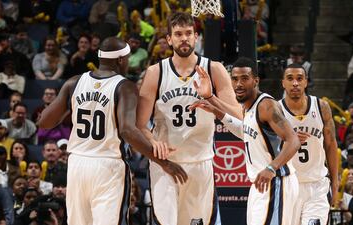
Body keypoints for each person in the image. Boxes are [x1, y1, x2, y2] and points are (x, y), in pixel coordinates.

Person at [37, 36, 188, 225]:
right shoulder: (125, 87)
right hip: (108, 166)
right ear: (120, 60)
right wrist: (163, 162)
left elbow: (44, 122)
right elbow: (127, 130)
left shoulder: (74, 82)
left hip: (77, 164)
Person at [136, 12, 241, 225]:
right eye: (178, 34)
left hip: (200, 163)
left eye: (188, 33)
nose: (184, 38)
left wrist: (211, 97)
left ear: (195, 37)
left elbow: (238, 116)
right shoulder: (156, 72)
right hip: (165, 165)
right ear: (169, 39)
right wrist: (153, 142)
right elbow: (139, 125)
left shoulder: (214, 69)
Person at [189, 57, 301, 225]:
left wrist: (271, 167)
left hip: (276, 182)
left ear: (255, 81)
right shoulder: (249, 107)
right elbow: (245, 132)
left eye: (244, 78)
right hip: (260, 184)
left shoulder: (266, 105)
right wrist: (212, 101)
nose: (239, 84)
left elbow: (293, 141)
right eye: (234, 79)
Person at [276, 63, 339, 224]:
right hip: (288, 185)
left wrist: (336, 182)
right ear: (283, 82)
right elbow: (268, 149)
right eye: (290, 79)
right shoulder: (275, 110)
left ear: (306, 82)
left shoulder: (321, 107)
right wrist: (289, 140)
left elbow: (331, 145)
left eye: (299, 78)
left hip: (317, 185)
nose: (295, 83)